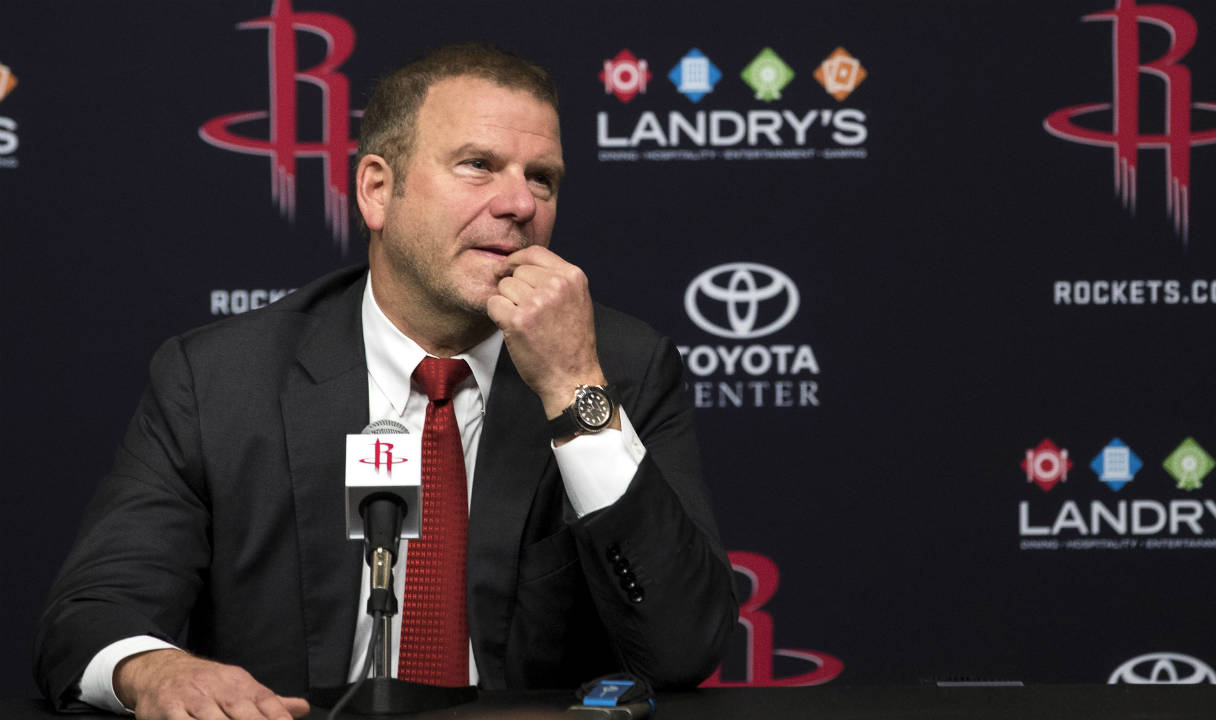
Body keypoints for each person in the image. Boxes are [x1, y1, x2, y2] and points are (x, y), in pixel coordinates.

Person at [34, 44, 736, 720]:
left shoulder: (620, 366)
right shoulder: (220, 378)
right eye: (478, 166)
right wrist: (155, 669)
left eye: (542, 178)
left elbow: (685, 648)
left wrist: (572, 386)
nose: (520, 204)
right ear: (376, 189)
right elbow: (92, 614)